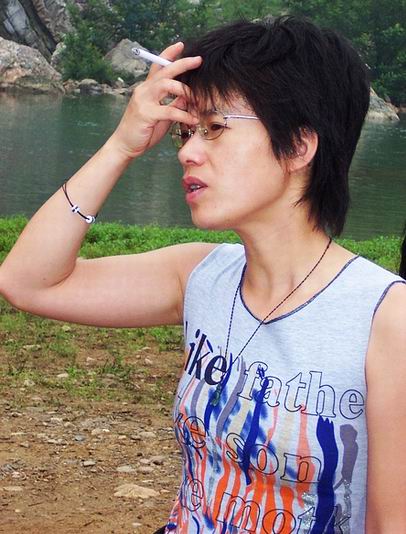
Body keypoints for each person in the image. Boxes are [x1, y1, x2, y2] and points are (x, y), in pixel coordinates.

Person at [0, 15, 405, 534]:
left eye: (215, 128)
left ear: (299, 146)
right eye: (187, 132)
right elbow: (27, 281)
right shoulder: (200, 275)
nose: (187, 151)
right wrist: (122, 145)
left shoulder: (384, 318)